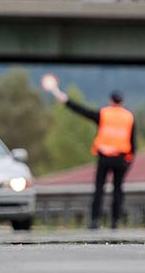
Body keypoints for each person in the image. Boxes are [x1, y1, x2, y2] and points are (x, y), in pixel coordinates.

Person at [52, 88, 137, 229]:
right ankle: (115, 221)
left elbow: (84, 112)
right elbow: (133, 142)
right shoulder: (129, 117)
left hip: (104, 157)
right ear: (122, 101)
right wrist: (129, 160)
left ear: (111, 100)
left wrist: (67, 101)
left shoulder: (104, 114)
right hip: (121, 158)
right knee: (118, 190)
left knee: (99, 189)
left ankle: (94, 220)